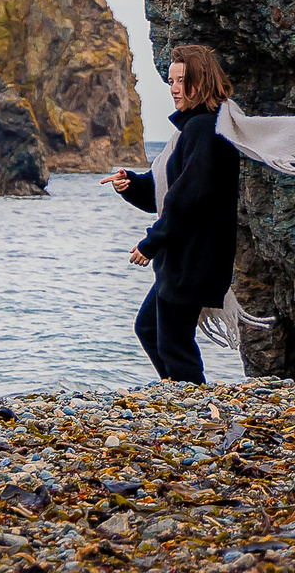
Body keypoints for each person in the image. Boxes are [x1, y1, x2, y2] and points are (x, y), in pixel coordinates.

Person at [109, 42, 240, 384]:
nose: (175, 89)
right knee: (150, 329)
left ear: (203, 81)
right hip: (185, 258)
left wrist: (151, 243)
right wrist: (131, 185)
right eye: (171, 81)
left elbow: (187, 198)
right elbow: (165, 191)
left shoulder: (204, 128)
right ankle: (179, 393)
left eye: (184, 81)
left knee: (175, 343)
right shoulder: (196, 127)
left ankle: (192, 400)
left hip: (193, 257)